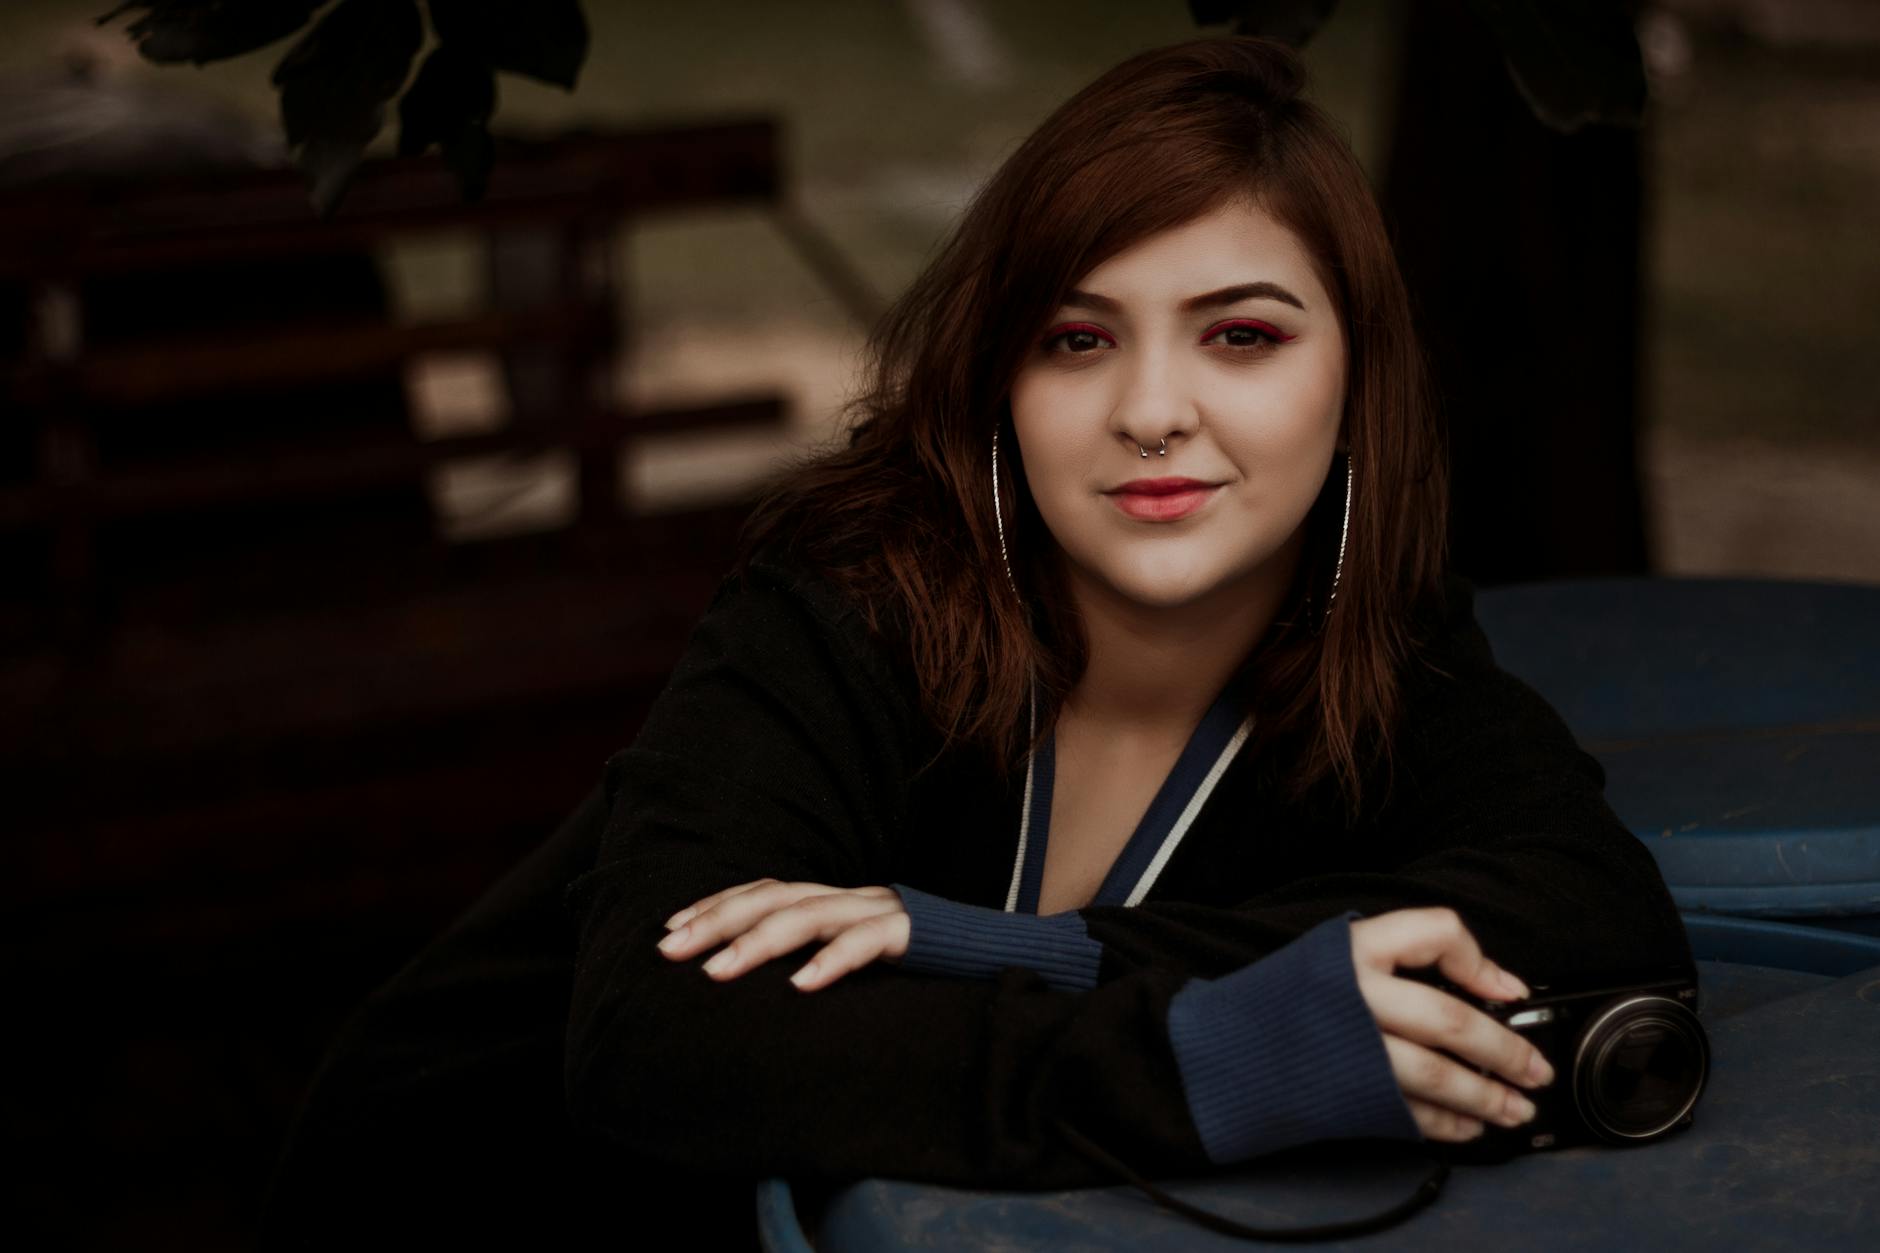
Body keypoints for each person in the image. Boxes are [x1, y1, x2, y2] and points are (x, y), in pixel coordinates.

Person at [263, 34, 1693, 1249]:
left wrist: (1012, 950)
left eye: (1240, 336)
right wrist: (1203, 1054)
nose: (1152, 410)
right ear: (999, 379)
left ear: (1359, 377)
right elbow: (660, 1036)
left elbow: (1587, 913)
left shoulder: (1373, 625)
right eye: (1078, 339)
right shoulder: (852, 597)